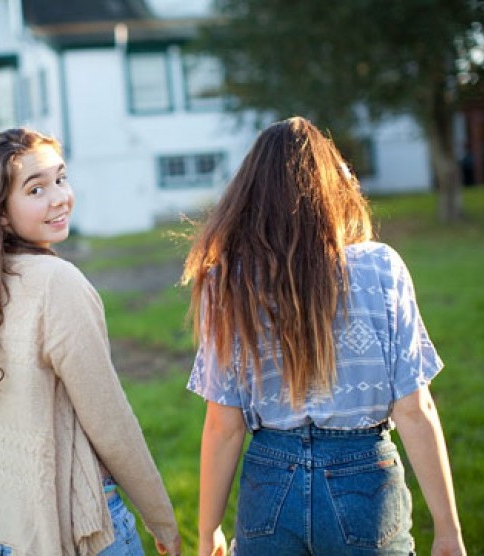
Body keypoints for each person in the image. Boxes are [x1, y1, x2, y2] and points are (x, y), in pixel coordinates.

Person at [183, 117, 466, 556]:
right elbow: (415, 409)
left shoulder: (227, 283)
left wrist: (207, 531)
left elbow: (224, 425)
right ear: (335, 186)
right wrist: (448, 531)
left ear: (249, 196)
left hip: (269, 487)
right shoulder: (381, 268)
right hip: (365, 482)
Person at [0, 128, 181, 556]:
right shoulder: (58, 283)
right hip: (69, 526)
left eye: (61, 178)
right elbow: (109, 420)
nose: (60, 198)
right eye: (36, 189)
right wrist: (161, 519)